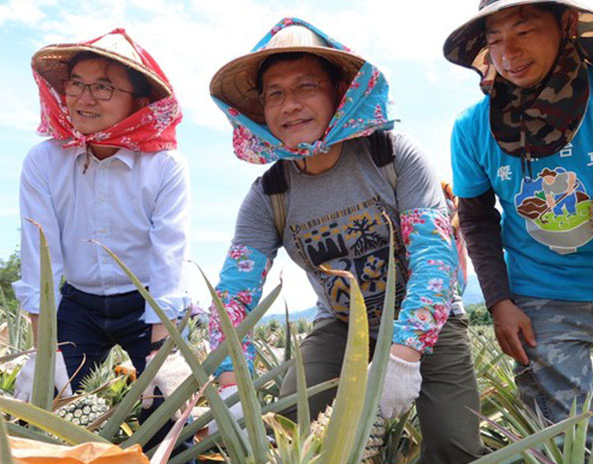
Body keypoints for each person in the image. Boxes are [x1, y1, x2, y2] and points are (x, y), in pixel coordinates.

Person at [207, 18, 486, 463]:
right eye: (275, 94)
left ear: (339, 92)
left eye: (306, 86)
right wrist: (229, 382)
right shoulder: (269, 195)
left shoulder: (392, 154)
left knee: (455, 447)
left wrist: (404, 354)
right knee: (293, 429)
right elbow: (233, 297)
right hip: (341, 324)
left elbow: (435, 260)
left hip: (429, 322)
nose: (290, 105)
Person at [444, 1, 593, 461]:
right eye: (494, 40)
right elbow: (476, 217)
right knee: (576, 442)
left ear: (565, 23)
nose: (508, 52)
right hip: (542, 297)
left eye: (524, 31)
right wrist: (499, 302)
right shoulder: (473, 128)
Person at [11, 28, 191, 430]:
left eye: (104, 87)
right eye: (76, 84)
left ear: (140, 103)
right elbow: (40, 256)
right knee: (45, 412)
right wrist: (44, 352)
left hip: (146, 306)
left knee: (166, 416)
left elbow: (169, 257)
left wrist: (162, 350)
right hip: (79, 305)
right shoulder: (44, 161)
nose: (85, 98)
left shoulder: (165, 166)